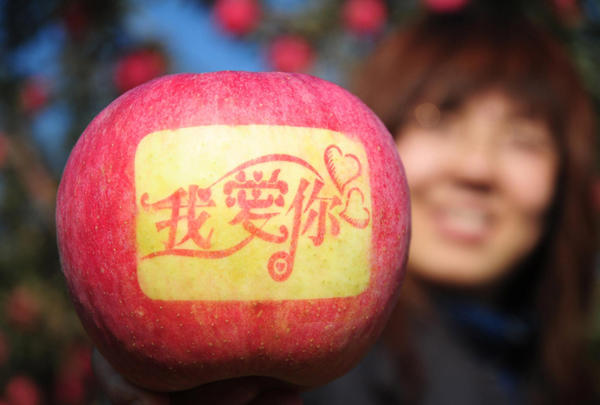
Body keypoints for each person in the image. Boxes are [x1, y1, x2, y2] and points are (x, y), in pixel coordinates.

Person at [92, 11, 598, 405]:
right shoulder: (340, 371)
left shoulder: (557, 373)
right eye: (439, 119)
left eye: (523, 137)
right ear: (379, 142)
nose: (476, 168)